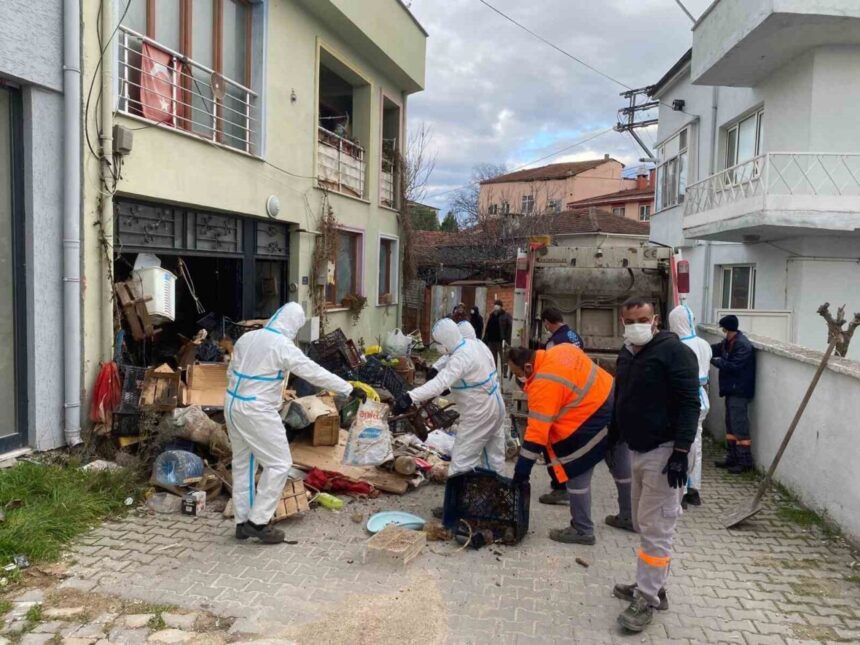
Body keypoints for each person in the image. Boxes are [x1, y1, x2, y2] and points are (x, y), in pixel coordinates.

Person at [225, 302, 365, 544]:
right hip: (257, 410)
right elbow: (313, 372)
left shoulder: (248, 338)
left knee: (243, 464)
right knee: (279, 464)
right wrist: (348, 388)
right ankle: (258, 522)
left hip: (232, 405)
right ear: (293, 325)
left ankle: (242, 521)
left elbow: (231, 371)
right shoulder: (282, 346)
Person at [611, 297, 699, 633]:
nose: (636, 324)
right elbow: (623, 396)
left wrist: (680, 452)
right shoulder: (628, 352)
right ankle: (652, 584)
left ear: (655, 319)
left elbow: (690, 403)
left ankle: (647, 599)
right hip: (638, 449)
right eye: (629, 319)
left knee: (657, 528)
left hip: (665, 453)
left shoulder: (674, 353)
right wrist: (614, 433)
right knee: (642, 522)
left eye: (642, 318)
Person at [508, 344, 618, 545]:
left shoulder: (543, 383)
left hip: (592, 418)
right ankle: (629, 515)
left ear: (528, 368)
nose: (519, 380)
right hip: (614, 400)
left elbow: (536, 436)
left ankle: (583, 530)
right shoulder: (562, 349)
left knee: (576, 471)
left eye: (517, 374)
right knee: (621, 468)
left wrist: (521, 472)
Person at [394, 319, 506, 484]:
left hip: (479, 412)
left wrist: (410, 396)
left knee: (462, 460)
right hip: (496, 405)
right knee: (494, 456)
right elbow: (461, 367)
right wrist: (438, 371)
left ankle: (457, 506)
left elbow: (440, 383)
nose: (439, 347)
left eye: (438, 343)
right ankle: (496, 498)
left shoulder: (460, 358)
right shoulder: (475, 345)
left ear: (445, 341)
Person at [668, 305, 712, 507]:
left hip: (684, 400)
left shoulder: (679, 347)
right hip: (702, 398)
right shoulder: (704, 344)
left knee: (684, 445)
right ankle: (695, 490)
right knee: (697, 446)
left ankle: (682, 490)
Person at [711, 314, 756, 474]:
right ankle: (732, 457)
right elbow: (715, 349)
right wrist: (702, 349)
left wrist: (714, 361)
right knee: (730, 424)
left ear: (726, 328)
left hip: (739, 390)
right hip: (731, 389)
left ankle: (744, 462)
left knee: (739, 425)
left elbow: (733, 366)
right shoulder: (729, 342)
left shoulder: (742, 345)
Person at [483, 299, 512, 370]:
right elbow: (488, 327)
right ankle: (494, 370)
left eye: (498, 306)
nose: (496, 307)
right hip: (491, 340)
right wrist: (485, 338)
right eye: (495, 305)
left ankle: (504, 372)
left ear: (501, 307)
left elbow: (509, 328)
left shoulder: (506, 315)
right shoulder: (491, 315)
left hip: (501, 340)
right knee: (493, 357)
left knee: (503, 357)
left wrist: (506, 339)